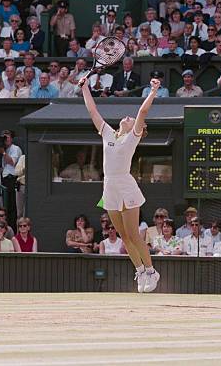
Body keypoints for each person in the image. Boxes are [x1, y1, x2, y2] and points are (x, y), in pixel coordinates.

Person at [80, 72, 161, 293]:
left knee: (134, 234)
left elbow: (142, 111)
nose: (128, 117)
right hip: (109, 187)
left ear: (140, 129)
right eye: (127, 118)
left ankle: (152, 271)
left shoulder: (132, 136)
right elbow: (92, 111)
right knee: (125, 237)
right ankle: (141, 271)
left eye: (132, 120)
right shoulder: (107, 133)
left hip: (126, 185)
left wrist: (153, 91)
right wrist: (85, 87)